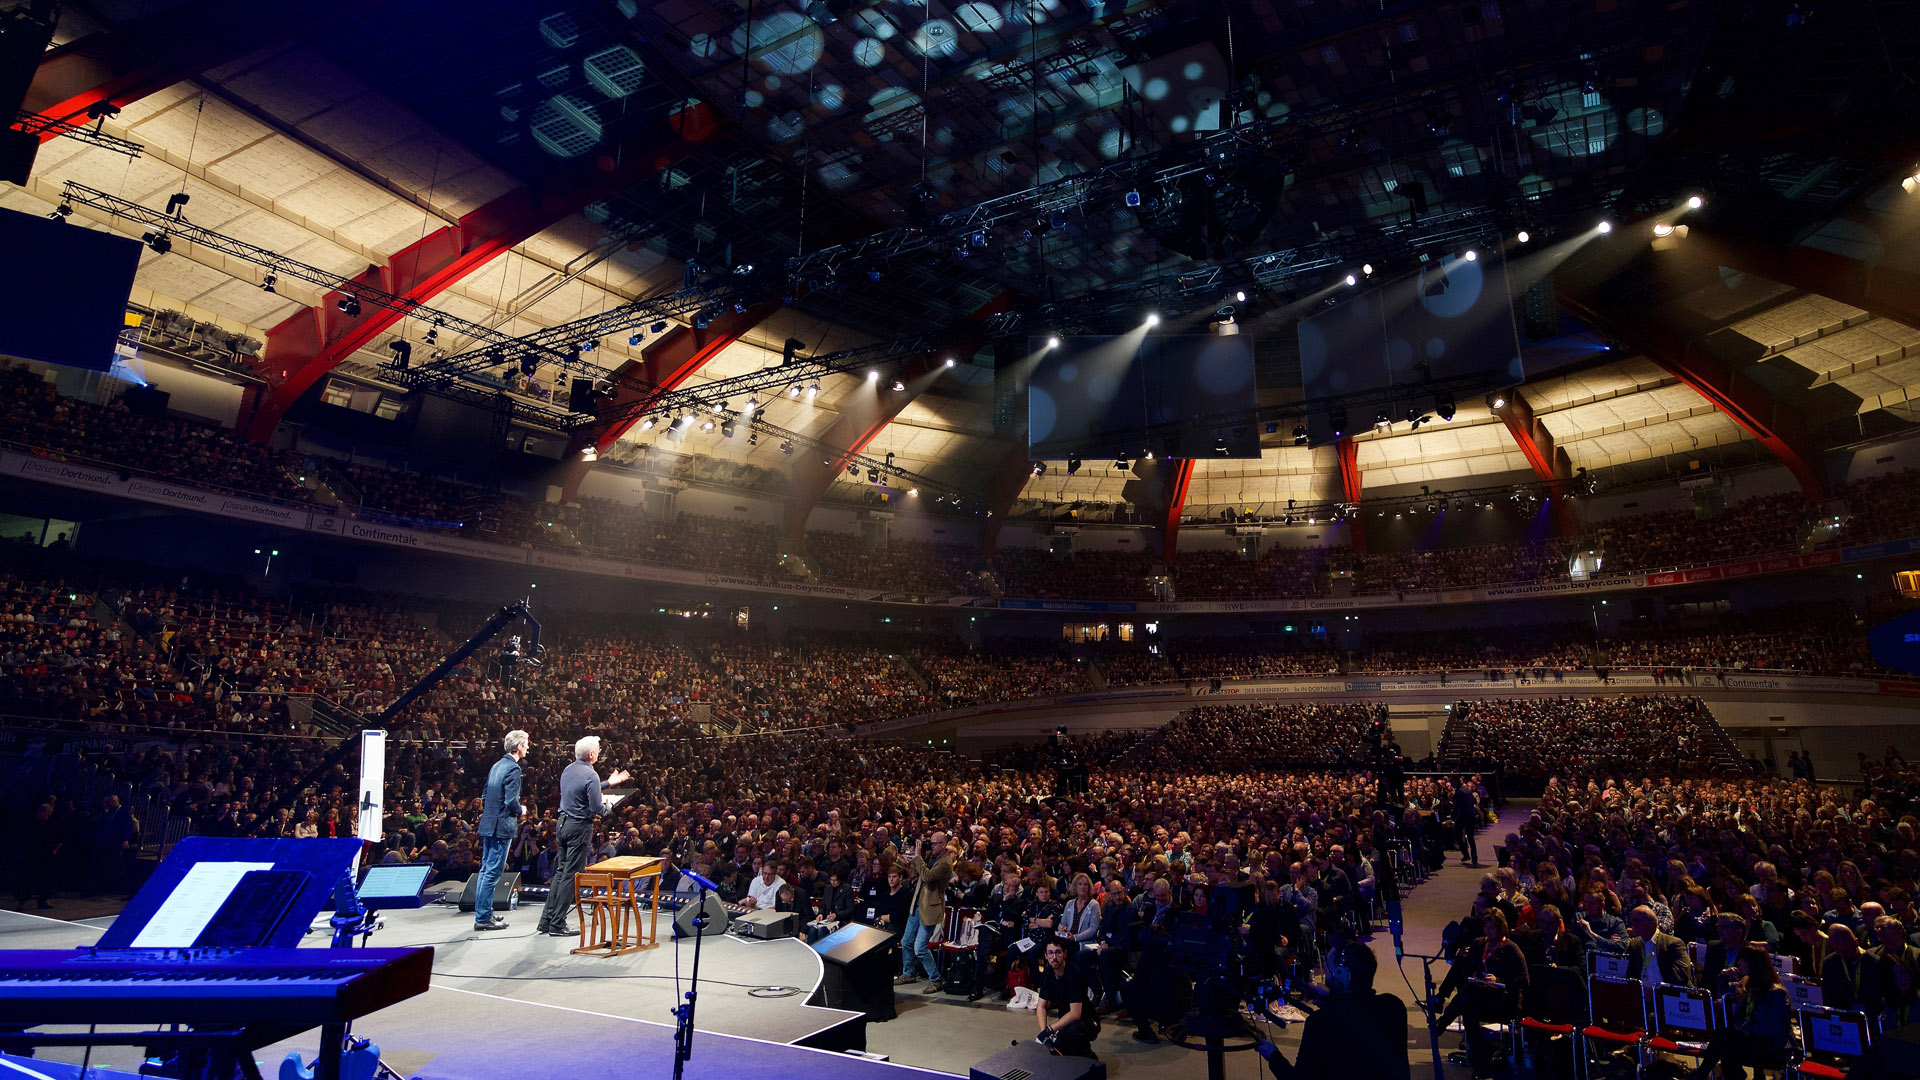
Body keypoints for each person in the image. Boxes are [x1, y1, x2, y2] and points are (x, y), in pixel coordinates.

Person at [1255, 938, 1409, 1080]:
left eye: (1328, 967)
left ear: (1341, 974)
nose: (1325, 972)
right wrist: (1332, 1000)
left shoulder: (1320, 1023)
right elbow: (1358, 1014)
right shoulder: (1393, 1007)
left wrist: (1273, 1056)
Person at [535, 735, 630, 938]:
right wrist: (609, 806)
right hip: (579, 827)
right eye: (597, 750)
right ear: (591, 754)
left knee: (561, 872)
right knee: (571, 875)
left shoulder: (569, 769)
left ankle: (547, 920)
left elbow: (582, 788)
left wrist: (608, 783)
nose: (599, 753)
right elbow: (597, 807)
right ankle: (558, 924)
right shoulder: (591, 775)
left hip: (563, 825)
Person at [1690, 944, 1790, 1080]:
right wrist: (1723, 975)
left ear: (1752, 963)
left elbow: (1777, 1030)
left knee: (1726, 1041)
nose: (1738, 963)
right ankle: (1703, 1074)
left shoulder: (1776, 992)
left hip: (1772, 1047)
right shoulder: (1748, 984)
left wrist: (1745, 1028)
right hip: (1753, 1041)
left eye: (1742, 960)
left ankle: (1701, 1074)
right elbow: (1724, 991)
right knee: (1725, 1042)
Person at [473, 729, 529, 932]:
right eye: (526, 744)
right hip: (501, 826)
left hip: (489, 824)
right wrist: (520, 810)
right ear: (519, 747)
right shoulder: (513, 769)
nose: (528, 747)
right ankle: (483, 918)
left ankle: (484, 912)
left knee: (485, 870)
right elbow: (511, 801)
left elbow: (486, 795)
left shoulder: (497, 765)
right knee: (493, 872)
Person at [897, 831, 954, 991]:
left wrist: (918, 857)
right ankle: (909, 973)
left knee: (920, 948)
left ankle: (936, 979)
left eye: (935, 843)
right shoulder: (932, 858)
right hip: (917, 905)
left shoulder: (945, 862)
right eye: (932, 843)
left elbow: (927, 876)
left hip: (929, 908)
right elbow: (918, 871)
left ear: (944, 844)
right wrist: (919, 853)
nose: (932, 846)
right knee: (906, 942)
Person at [1034, 936, 1101, 1058]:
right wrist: (1044, 1032)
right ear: (1045, 955)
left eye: (1058, 952)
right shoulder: (1048, 972)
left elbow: (1075, 1014)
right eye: (1050, 953)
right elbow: (1041, 1006)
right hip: (1065, 1021)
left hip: (1087, 1021)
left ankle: (1090, 1058)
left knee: (1073, 1033)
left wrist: (1049, 1030)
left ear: (1064, 954)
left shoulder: (1073, 973)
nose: (1054, 957)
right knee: (1056, 1052)